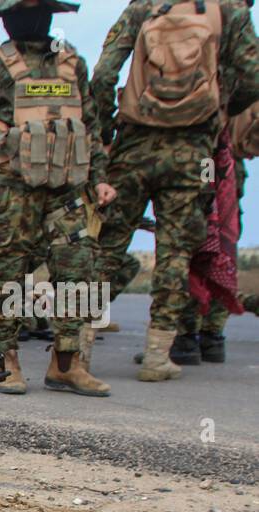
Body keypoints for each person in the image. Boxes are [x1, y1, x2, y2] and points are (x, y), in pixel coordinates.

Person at [0, 0, 116, 397]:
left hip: (66, 192)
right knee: (5, 279)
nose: (29, 18)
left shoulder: (72, 64)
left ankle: (66, 365)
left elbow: (90, 127)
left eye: (39, 10)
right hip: (11, 192)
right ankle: (5, 362)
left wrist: (98, 180)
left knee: (78, 272)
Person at [93, 0, 259, 381]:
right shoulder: (229, 10)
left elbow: (103, 75)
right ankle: (158, 355)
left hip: (133, 145)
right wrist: (216, 105)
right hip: (193, 151)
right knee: (175, 252)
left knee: (106, 248)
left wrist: (105, 130)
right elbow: (252, 77)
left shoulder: (143, 8)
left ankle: (74, 351)